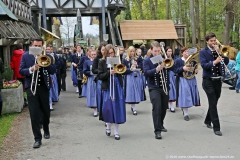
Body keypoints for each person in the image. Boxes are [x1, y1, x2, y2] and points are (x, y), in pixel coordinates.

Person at [19, 37, 56, 148]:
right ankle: (37, 138)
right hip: (31, 88)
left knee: (45, 111)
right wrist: (31, 69)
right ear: (31, 45)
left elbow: (53, 70)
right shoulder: (25, 56)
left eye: (39, 46)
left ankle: (46, 128)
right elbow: (21, 71)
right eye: (35, 46)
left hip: (43, 87)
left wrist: (45, 62)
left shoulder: (47, 56)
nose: (37, 48)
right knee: (34, 113)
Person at [200, 32, 229, 136]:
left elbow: (226, 62)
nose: (213, 42)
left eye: (214, 40)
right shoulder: (203, 52)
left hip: (218, 81)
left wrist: (221, 53)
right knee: (213, 102)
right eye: (211, 41)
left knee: (214, 103)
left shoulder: (219, 50)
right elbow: (203, 65)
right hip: (208, 81)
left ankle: (207, 120)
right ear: (207, 41)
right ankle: (216, 127)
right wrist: (215, 62)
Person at [143, 41, 172, 139]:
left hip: (164, 87)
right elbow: (146, 73)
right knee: (157, 108)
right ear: (151, 50)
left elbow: (172, 68)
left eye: (159, 51)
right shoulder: (147, 60)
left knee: (164, 108)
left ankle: (160, 124)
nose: (157, 53)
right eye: (155, 51)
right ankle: (157, 130)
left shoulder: (163, 59)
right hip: (153, 87)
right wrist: (156, 69)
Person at [98, 44, 126, 140]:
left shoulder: (117, 60)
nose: (111, 55)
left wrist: (119, 71)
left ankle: (116, 132)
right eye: (109, 53)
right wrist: (108, 73)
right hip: (107, 86)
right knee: (108, 108)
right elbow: (100, 76)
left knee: (117, 108)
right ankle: (108, 126)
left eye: (112, 53)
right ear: (106, 53)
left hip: (117, 85)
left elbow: (123, 71)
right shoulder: (102, 62)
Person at [174, 47, 200, 121]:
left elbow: (193, 70)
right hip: (182, 79)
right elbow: (175, 71)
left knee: (190, 95)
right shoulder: (178, 60)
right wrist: (183, 68)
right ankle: (186, 114)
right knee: (185, 96)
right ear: (182, 53)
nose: (186, 53)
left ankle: (185, 109)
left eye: (187, 51)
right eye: (185, 51)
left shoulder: (192, 60)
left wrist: (196, 71)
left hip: (191, 79)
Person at [122, 46, 145, 115]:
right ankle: (133, 107)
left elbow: (142, 67)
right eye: (131, 51)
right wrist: (130, 68)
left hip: (137, 75)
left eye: (133, 51)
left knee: (137, 90)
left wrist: (137, 65)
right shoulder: (125, 60)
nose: (132, 53)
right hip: (129, 76)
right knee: (131, 91)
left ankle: (134, 104)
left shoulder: (138, 58)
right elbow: (124, 70)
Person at [92, 42, 107, 114]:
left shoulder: (109, 58)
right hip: (100, 80)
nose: (104, 51)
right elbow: (94, 70)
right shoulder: (97, 59)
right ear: (100, 50)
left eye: (105, 50)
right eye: (103, 50)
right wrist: (101, 71)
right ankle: (102, 112)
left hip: (108, 79)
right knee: (101, 97)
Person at [83, 50, 97, 116]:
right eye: (92, 54)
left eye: (95, 54)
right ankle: (95, 109)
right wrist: (90, 73)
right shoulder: (87, 62)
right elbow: (85, 71)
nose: (94, 56)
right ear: (90, 55)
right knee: (92, 94)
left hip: (98, 78)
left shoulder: (99, 61)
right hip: (91, 79)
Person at [165, 47, 176, 112]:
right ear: (166, 52)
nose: (170, 52)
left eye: (171, 51)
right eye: (168, 51)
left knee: (172, 89)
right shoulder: (164, 58)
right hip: (166, 74)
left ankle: (171, 105)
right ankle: (167, 104)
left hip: (172, 75)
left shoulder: (174, 58)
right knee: (167, 89)